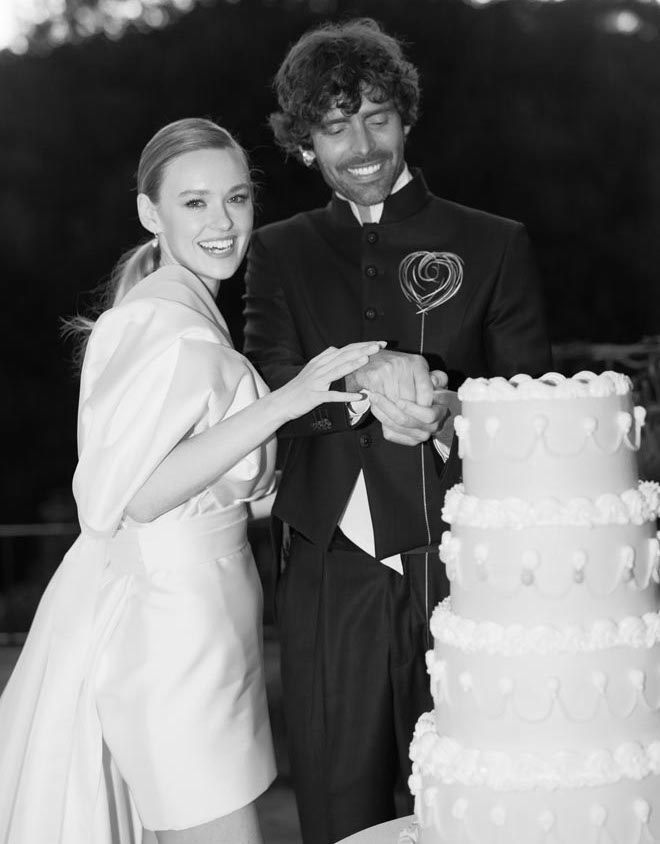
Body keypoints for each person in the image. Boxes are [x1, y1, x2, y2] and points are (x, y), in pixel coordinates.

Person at [0, 117, 384, 844]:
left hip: (210, 622)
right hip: (169, 633)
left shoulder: (186, 311)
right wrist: (287, 399)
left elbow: (225, 487)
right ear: (151, 212)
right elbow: (130, 498)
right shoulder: (158, 324)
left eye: (236, 199)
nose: (223, 223)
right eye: (195, 202)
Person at [243, 18, 554, 844]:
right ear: (306, 145)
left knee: (473, 793)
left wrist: (452, 412)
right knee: (339, 806)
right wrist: (355, 382)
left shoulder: (495, 243)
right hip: (325, 569)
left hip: (463, 570)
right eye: (335, 126)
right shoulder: (278, 252)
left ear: (406, 117)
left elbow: (532, 416)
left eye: (377, 115)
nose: (362, 143)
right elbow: (270, 388)